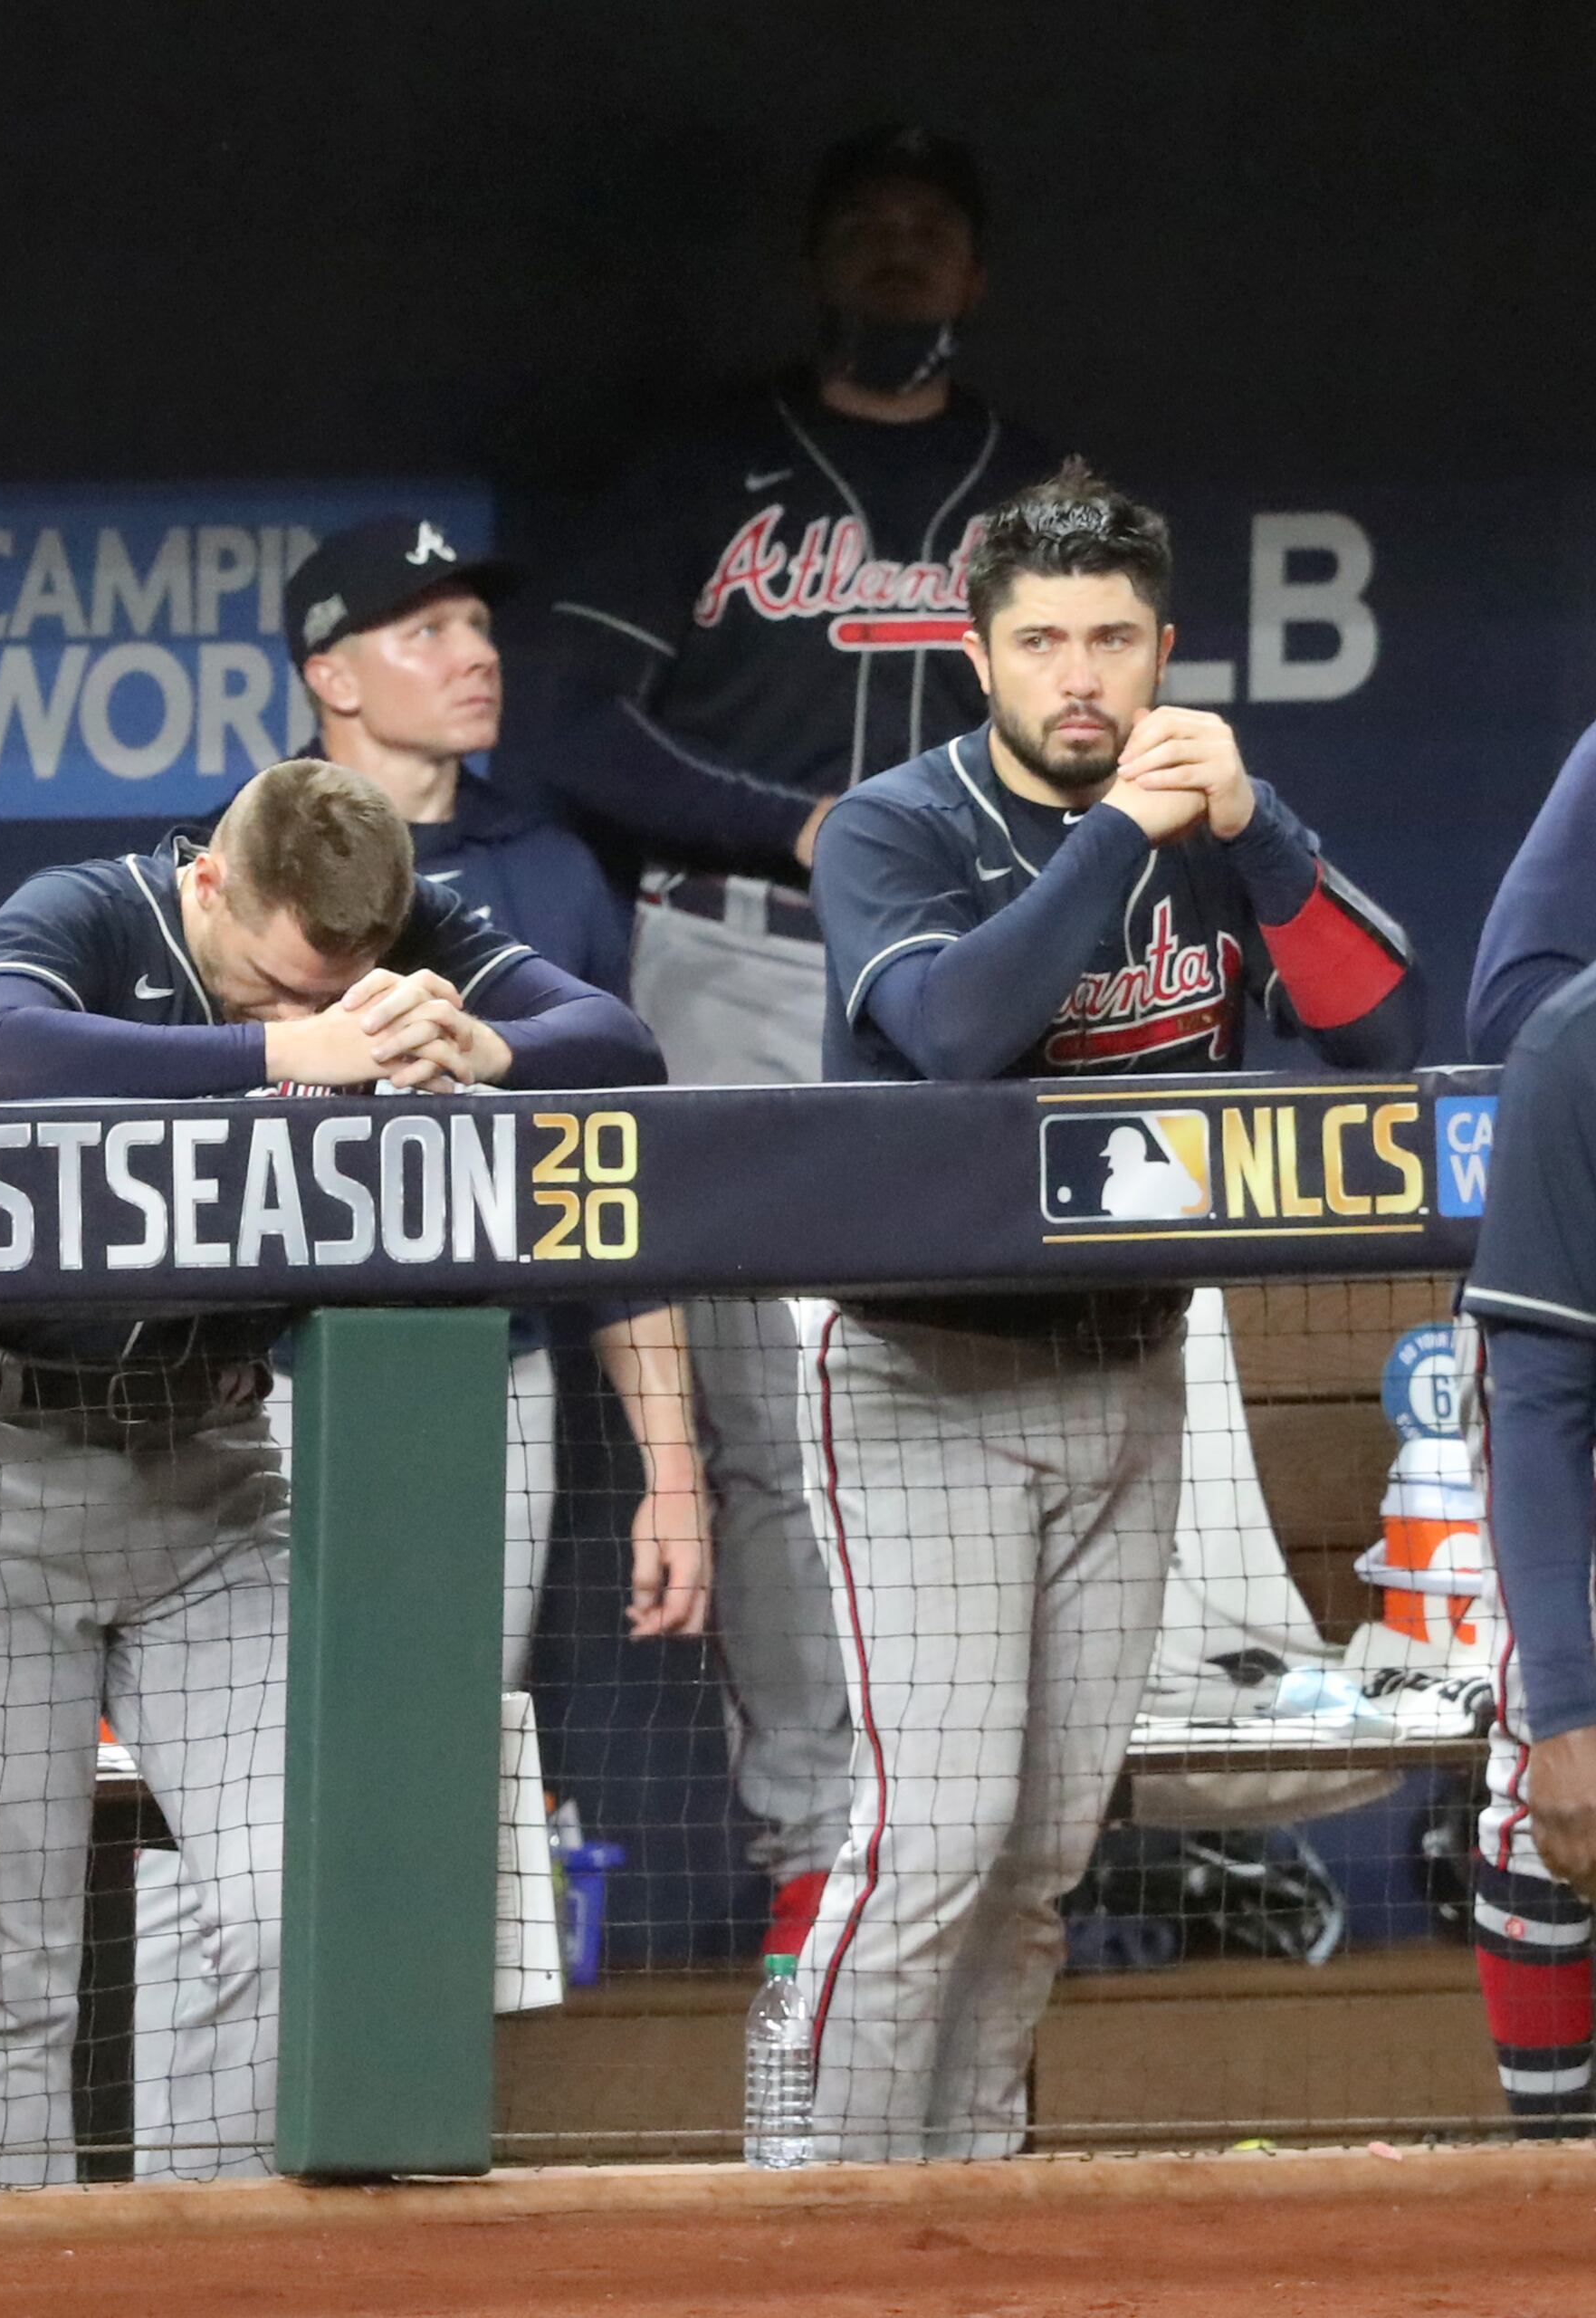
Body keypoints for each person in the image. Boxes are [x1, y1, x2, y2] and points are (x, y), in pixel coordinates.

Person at [0, 758, 662, 2186]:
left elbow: (617, 1043)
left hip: (209, 1474)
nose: (300, 1015)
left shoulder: (403, 934)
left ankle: (217, 2263)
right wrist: (279, 1060)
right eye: (263, 985)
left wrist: (490, 1050)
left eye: (328, 995)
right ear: (207, 886)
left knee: (298, 1900)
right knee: (17, 1973)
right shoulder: (96, 909)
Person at [802, 462, 1419, 2162]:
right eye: (1042, 641)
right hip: (928, 1375)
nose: (1081, 676)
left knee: (1040, 1858)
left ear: (1165, 652)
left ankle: (966, 2205)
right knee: (928, 1841)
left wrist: (1261, 831)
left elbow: (1379, 1032)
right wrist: (1120, 839)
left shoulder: (1220, 828)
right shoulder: (896, 828)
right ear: (980, 657)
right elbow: (953, 1033)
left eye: (1114, 641)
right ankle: (808, 2210)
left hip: (1136, 1370)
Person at [536, 125, 1054, 1951]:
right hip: (743, 967)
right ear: (818, 261)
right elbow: (569, 730)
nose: (899, 252)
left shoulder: (1043, 495)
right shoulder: (712, 467)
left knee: (987, 1404)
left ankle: (974, 1834)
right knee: (766, 1428)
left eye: (933, 226)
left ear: (973, 273)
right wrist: (795, 820)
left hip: (991, 987)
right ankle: (817, 1848)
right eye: (866, 226)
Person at [285, 515, 709, 1681]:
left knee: (454, 1728)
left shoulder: (550, 868)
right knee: (250, 1759)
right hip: (272, 1375)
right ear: (333, 676)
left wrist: (670, 1465)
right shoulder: (243, 859)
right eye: (426, 630)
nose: (477, 653)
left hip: (495, 1364)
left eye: (479, 626)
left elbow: (614, 1169)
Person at [1453, 726, 1596, 2133]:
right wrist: (1568, 1707)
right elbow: (1542, 1398)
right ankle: (1561, 2185)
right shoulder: (1578, 1043)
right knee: (1547, 1810)